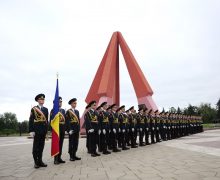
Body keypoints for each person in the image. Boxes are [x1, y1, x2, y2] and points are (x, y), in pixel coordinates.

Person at [29, 94, 48, 168]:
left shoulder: (46, 109)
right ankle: (35, 162)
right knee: (36, 147)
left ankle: (40, 161)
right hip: (36, 130)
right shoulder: (34, 109)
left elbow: (46, 121)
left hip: (43, 130)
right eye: (40, 99)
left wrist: (46, 130)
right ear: (37, 100)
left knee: (41, 146)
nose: (42, 100)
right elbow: (31, 120)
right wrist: (31, 130)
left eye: (43, 99)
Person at [50, 96, 66, 164]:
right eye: (59, 102)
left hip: (62, 129)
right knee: (56, 144)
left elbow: (65, 120)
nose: (60, 103)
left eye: (61, 102)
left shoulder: (63, 110)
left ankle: (59, 158)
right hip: (56, 130)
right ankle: (55, 159)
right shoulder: (53, 110)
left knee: (61, 144)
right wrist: (51, 130)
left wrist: (65, 129)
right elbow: (51, 121)